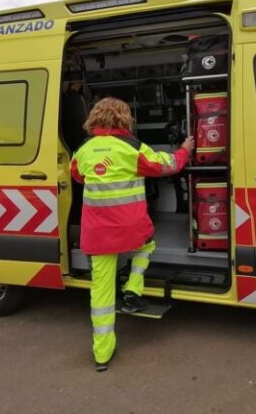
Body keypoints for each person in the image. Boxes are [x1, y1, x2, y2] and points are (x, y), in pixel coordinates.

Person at [70, 97, 194, 372]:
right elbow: (167, 165)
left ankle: (102, 355)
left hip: (98, 235)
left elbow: (76, 175)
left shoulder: (83, 150)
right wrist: (184, 149)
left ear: (95, 118)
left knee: (100, 294)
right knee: (147, 246)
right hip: (131, 230)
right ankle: (132, 289)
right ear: (124, 118)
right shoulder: (131, 147)